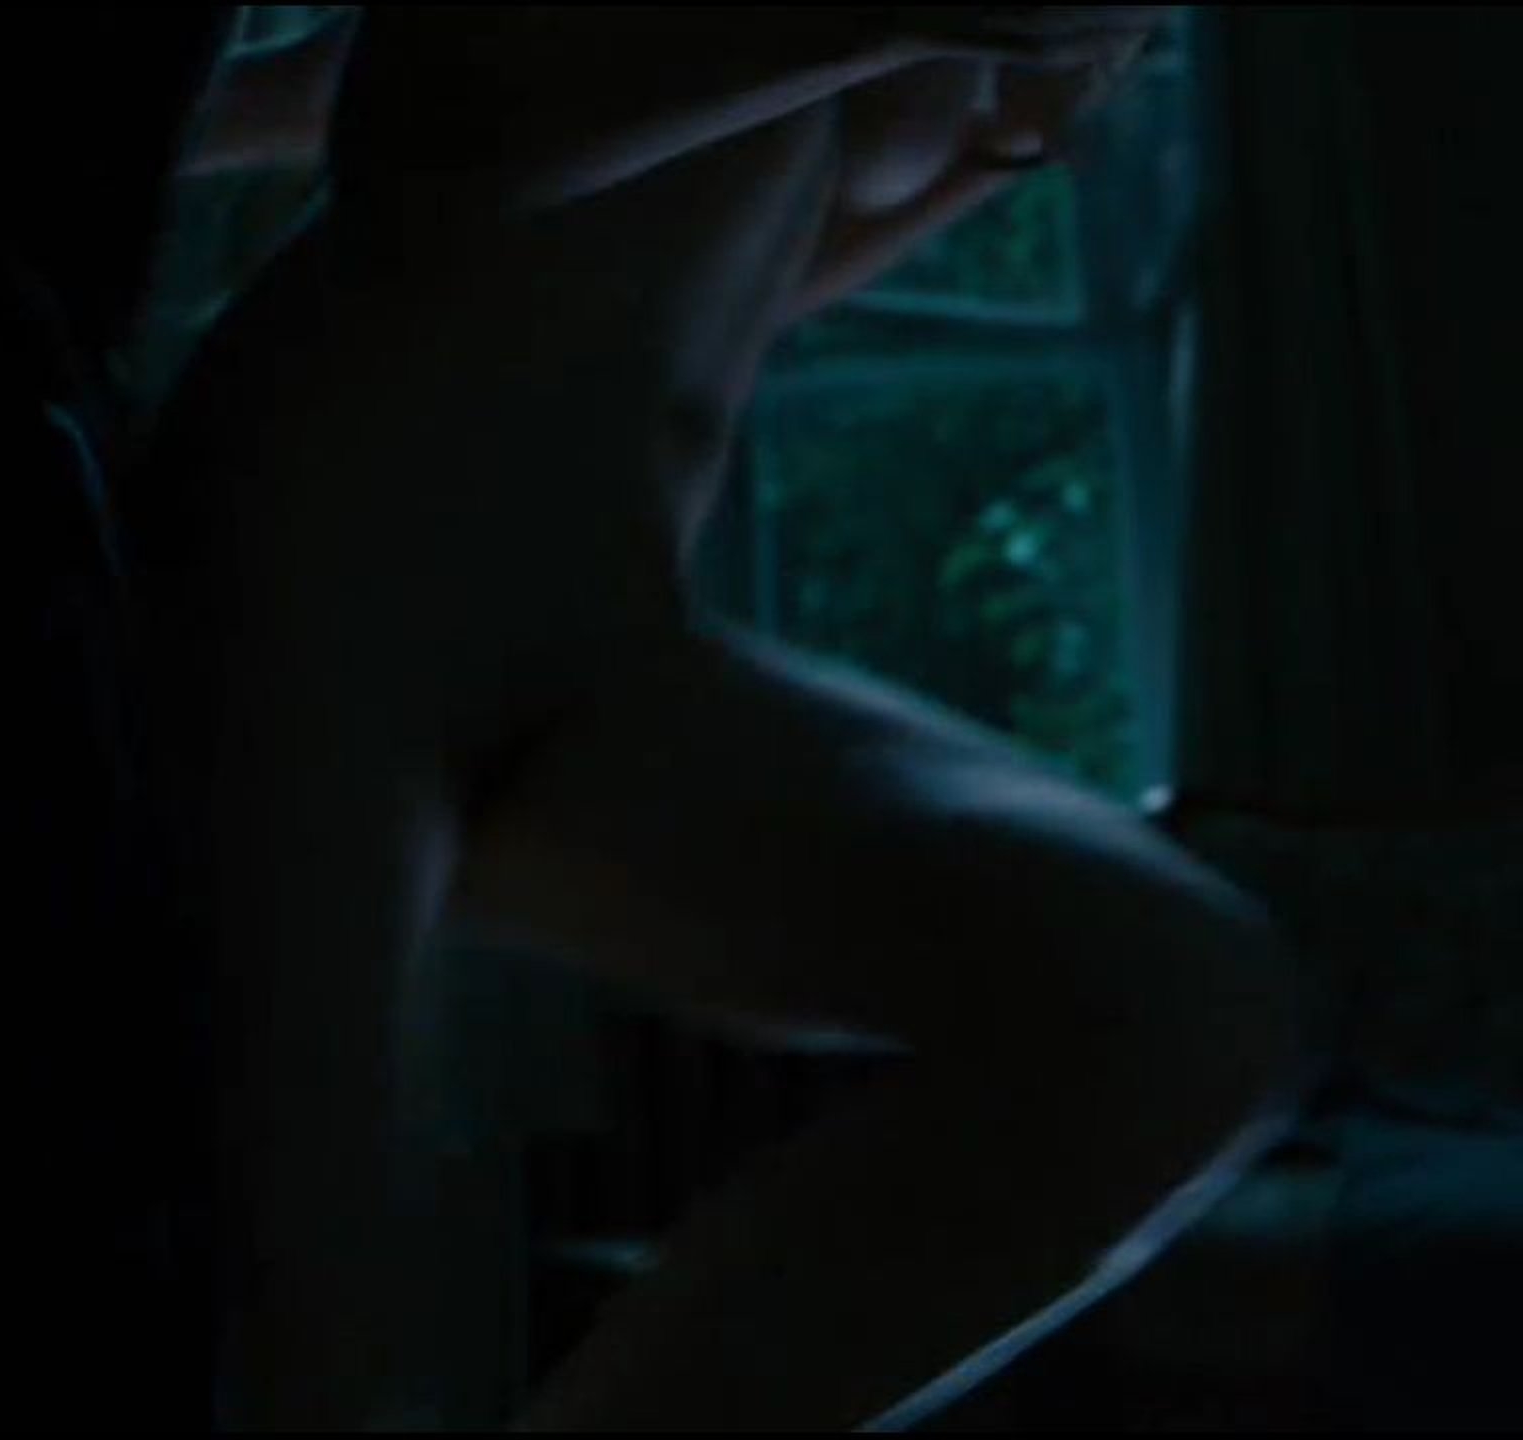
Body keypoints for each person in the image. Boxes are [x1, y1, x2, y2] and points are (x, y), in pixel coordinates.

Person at [132, 7, 1312, 1429]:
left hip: (592, 624)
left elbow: (741, 268)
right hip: (327, 569)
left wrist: (991, 148)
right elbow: (429, 126)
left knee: (1172, 1013)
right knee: (286, 1345)